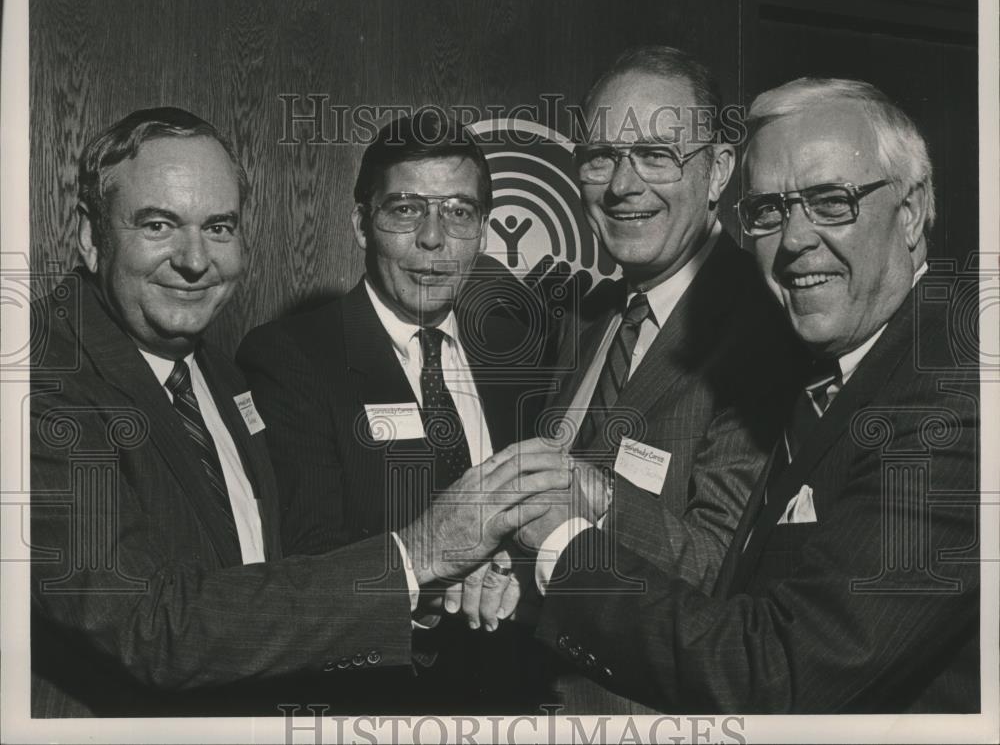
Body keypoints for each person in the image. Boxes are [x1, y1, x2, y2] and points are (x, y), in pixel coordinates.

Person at [29, 107, 563, 717]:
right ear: (91, 235)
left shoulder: (216, 376)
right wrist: (417, 557)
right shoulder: (39, 382)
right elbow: (151, 628)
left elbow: (259, 570)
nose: (195, 259)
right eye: (158, 225)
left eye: (220, 227)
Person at [518, 78, 979, 713]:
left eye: (831, 201)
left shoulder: (954, 402)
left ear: (910, 210)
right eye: (769, 210)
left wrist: (562, 546)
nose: (793, 242)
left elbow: (780, 676)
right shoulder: (833, 366)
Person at [492, 46, 803, 713]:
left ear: (719, 169)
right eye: (600, 156)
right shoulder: (595, 316)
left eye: (657, 155)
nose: (622, 186)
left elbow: (723, 572)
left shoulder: (767, 333)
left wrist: (597, 496)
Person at [236, 109, 551, 711]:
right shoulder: (291, 357)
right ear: (361, 223)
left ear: (483, 230)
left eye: (458, 212)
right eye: (406, 209)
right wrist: (443, 587)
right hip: (383, 697)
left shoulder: (521, 350)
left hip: (521, 690)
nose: (433, 238)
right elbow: (310, 554)